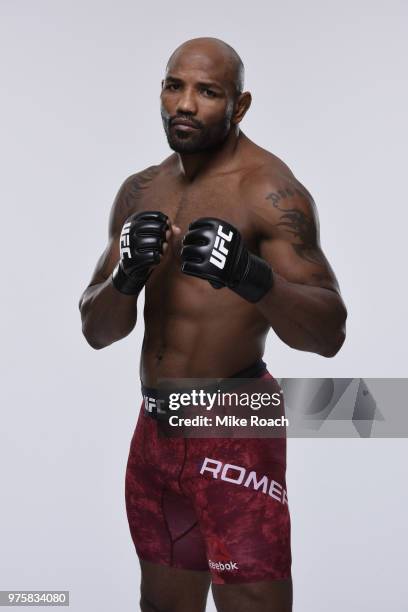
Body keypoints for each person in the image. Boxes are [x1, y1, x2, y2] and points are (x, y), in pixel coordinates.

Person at [79, 37, 347, 612]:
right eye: (174, 86)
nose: (185, 104)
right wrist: (127, 275)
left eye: (208, 92)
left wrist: (253, 277)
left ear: (240, 106)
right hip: (155, 432)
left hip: (233, 423)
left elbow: (330, 334)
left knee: (251, 602)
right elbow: (96, 329)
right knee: (163, 603)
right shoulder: (141, 190)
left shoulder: (269, 192)